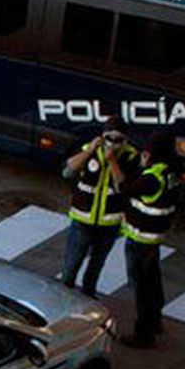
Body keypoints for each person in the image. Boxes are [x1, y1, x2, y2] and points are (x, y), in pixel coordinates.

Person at [60, 117, 137, 298]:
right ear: (102, 137)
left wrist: (112, 162)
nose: (113, 143)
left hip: (109, 224)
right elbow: (67, 172)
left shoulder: (130, 157)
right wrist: (89, 152)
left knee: (96, 266)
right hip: (82, 219)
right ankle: (63, 296)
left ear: (125, 140)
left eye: (118, 139)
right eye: (109, 138)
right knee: (72, 264)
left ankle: (88, 295)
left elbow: (124, 187)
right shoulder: (89, 149)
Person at [119, 132, 183, 349]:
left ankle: (144, 333)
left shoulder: (152, 178)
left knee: (142, 287)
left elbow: (124, 188)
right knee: (153, 282)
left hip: (141, 238)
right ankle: (155, 321)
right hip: (154, 237)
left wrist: (133, 166)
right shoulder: (172, 170)